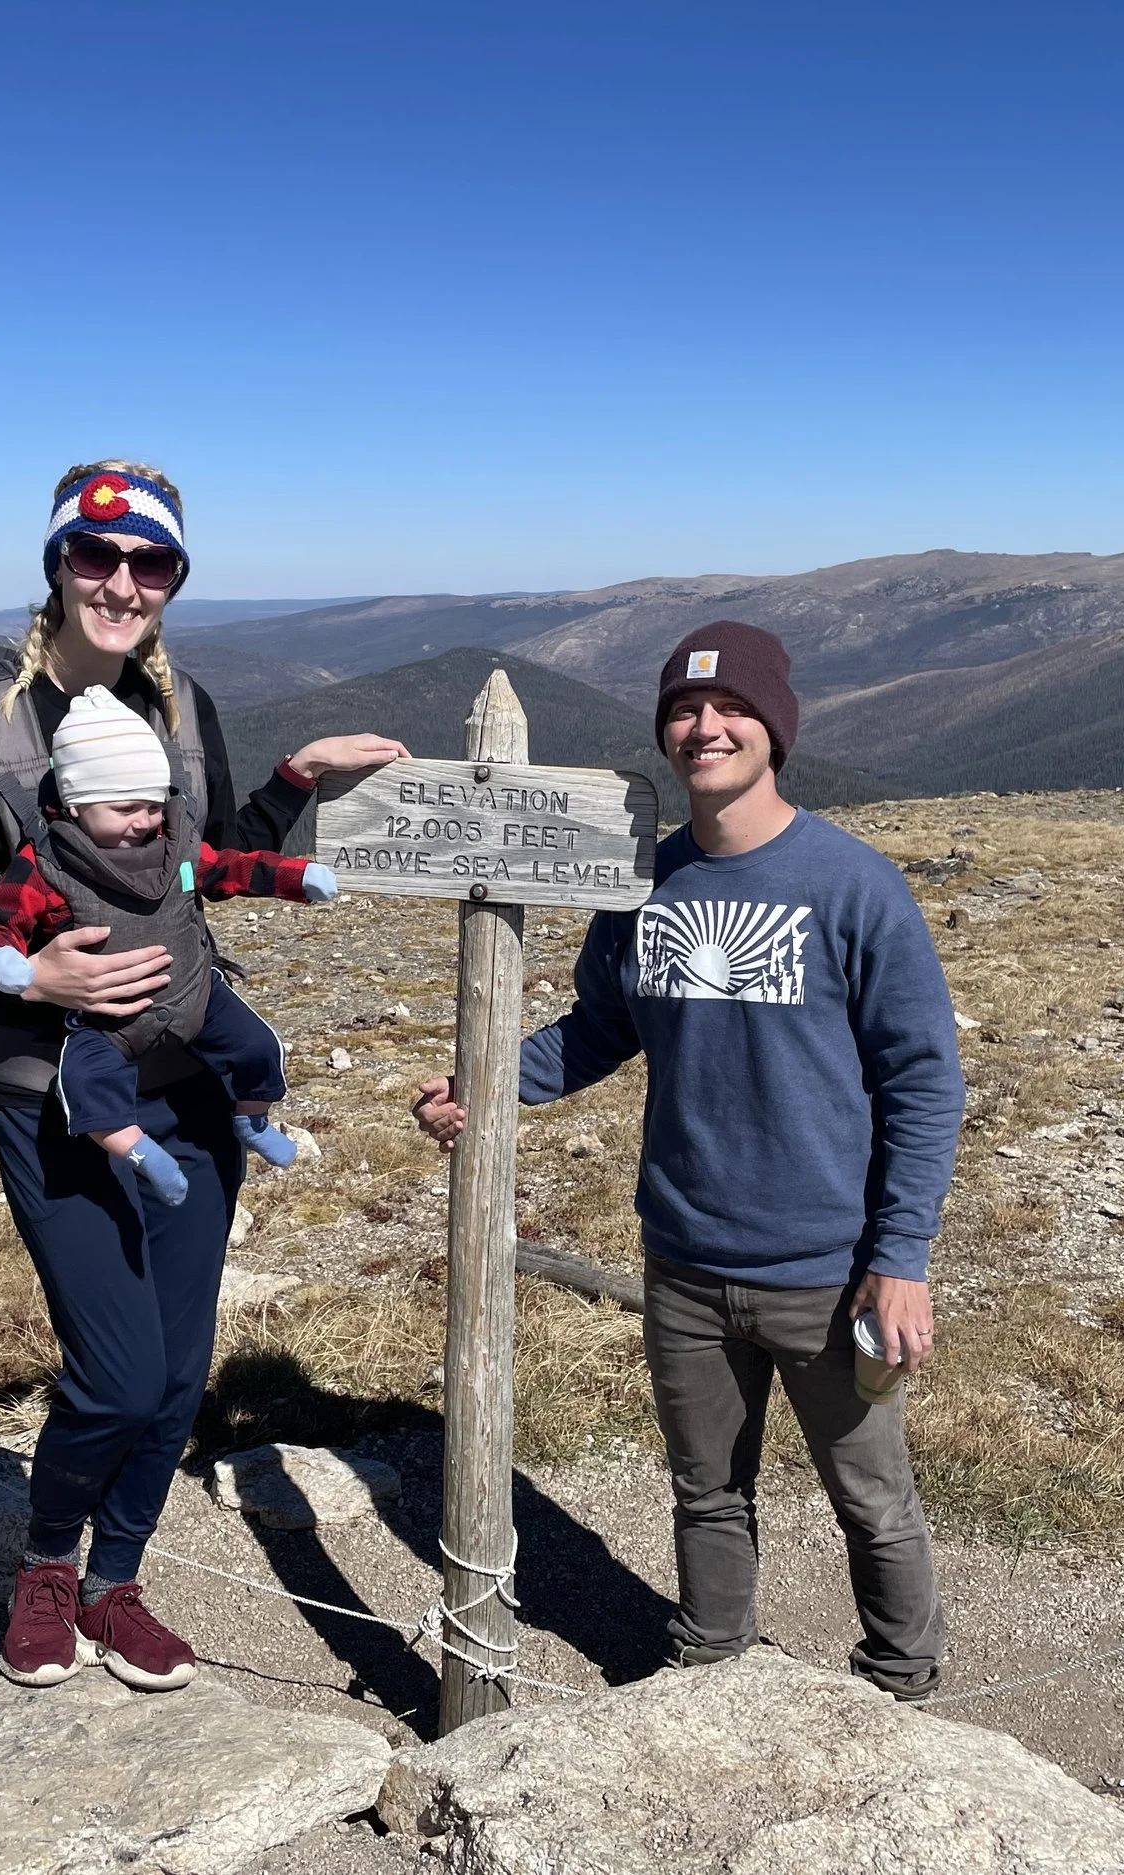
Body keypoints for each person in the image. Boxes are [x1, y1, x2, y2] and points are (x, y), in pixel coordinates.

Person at [0, 460, 407, 1692]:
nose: (120, 583)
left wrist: (294, 783)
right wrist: (25, 980)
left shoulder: (182, 711)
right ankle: (47, 1567)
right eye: (94, 558)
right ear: (56, 566)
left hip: (194, 1098)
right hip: (52, 1098)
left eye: (149, 563)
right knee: (111, 1372)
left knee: (172, 1378)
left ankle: (117, 1582)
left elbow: (195, 868)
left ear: (173, 581)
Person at [412, 620, 964, 1699]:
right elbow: (597, 1025)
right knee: (706, 1489)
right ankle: (709, 1667)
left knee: (871, 1495)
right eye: (684, 711)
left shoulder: (853, 888)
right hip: (683, 1260)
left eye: (731, 710)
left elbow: (923, 1080)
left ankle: (904, 1685)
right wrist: (487, 1087)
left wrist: (900, 1258)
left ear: (775, 731)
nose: (705, 727)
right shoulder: (644, 884)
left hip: (828, 1268)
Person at [0, 685, 335, 1203]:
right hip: (110, 1017)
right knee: (85, 1083)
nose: (144, 821)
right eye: (124, 809)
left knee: (259, 1048)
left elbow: (232, 868)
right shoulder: (48, 862)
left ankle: (251, 1121)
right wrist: (5, 962)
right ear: (75, 806)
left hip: (197, 995)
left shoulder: (178, 844)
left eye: (152, 805)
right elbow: (3, 918)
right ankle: (144, 1155)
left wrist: (298, 878)